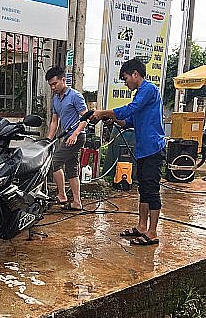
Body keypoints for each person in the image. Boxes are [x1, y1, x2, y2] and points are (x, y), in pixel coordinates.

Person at [91, 58, 165, 246]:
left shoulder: (149, 89)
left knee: (152, 191)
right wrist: (114, 120)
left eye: (125, 78)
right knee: (143, 190)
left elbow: (129, 109)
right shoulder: (140, 94)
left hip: (153, 149)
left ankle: (153, 232)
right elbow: (128, 121)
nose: (125, 82)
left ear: (135, 74)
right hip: (142, 151)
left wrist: (103, 113)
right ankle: (142, 226)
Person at [46, 66, 88, 211]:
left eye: (54, 84)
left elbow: (85, 117)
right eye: (50, 85)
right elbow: (54, 122)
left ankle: (62, 195)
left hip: (77, 136)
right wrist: (48, 140)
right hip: (67, 137)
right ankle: (77, 202)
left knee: (54, 163)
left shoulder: (75, 96)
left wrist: (75, 134)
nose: (53, 87)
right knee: (71, 169)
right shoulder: (56, 99)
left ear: (63, 80)